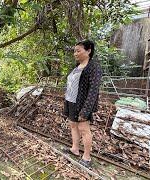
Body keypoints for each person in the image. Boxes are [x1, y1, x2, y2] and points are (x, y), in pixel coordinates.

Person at [63, 39, 102, 168]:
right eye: (74, 51)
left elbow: (93, 90)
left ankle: (87, 157)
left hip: (83, 103)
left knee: (84, 129)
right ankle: (74, 149)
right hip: (71, 101)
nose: (75, 53)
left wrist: (86, 110)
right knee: (73, 125)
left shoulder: (93, 67)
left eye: (78, 51)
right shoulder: (76, 67)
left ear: (88, 50)